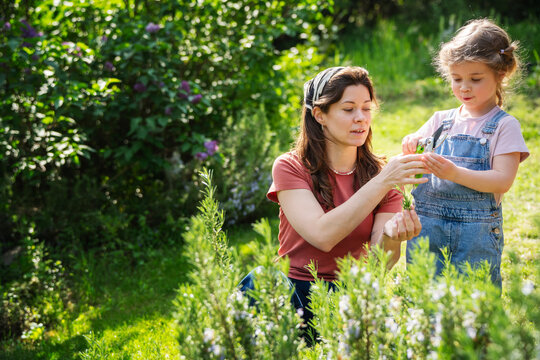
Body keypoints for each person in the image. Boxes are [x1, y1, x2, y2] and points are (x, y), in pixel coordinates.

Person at [240, 66, 427, 342]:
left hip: (348, 298)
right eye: (348, 109)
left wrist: (391, 239)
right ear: (320, 115)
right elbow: (322, 235)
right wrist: (383, 181)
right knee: (260, 280)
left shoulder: (384, 175)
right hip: (294, 292)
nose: (361, 118)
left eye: (366, 108)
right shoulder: (291, 167)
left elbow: (377, 268)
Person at [402, 19, 530, 287]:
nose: (464, 87)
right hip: (428, 226)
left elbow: (502, 180)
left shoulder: (504, 126)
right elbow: (416, 155)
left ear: (501, 74)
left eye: (475, 79)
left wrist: (454, 173)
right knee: (424, 297)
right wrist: (412, 141)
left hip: (476, 234)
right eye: (456, 79)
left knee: (474, 301)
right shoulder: (440, 120)